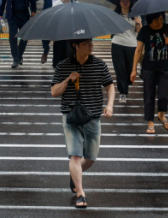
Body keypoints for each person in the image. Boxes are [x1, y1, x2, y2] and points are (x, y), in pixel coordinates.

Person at [51, 38, 115, 208]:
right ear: (76, 45)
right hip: (70, 116)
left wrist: (109, 105)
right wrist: (67, 80)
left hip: (93, 116)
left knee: (91, 158)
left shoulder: (99, 65)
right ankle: (80, 193)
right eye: (86, 43)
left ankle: (75, 174)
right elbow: (54, 92)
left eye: (91, 43)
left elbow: (110, 85)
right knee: (75, 156)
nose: (91, 46)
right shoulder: (63, 66)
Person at [131, 12, 168, 134]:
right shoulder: (145, 31)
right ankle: (150, 122)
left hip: (165, 67)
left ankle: (161, 115)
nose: (159, 22)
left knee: (164, 94)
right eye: (156, 20)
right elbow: (138, 50)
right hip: (148, 68)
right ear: (150, 20)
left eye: (161, 19)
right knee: (149, 96)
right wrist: (134, 69)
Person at [0, 0, 37, 69]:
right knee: (12, 37)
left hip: (24, 13)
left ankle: (19, 55)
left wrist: (34, 9)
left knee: (25, 37)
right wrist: (0, 13)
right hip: (13, 14)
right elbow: (3, 0)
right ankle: (16, 59)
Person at [112, 0, 141, 104]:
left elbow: (139, 31)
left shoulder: (135, 15)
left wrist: (138, 23)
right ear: (119, 2)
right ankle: (123, 93)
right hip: (117, 44)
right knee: (120, 70)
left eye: (127, 0)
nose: (124, 2)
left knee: (129, 70)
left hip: (132, 45)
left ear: (130, 2)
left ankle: (126, 84)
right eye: (122, 0)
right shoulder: (115, 15)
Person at [33, 0, 59, 64]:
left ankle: (56, 60)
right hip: (48, 13)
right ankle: (45, 50)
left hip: (59, 13)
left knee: (58, 37)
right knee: (44, 34)